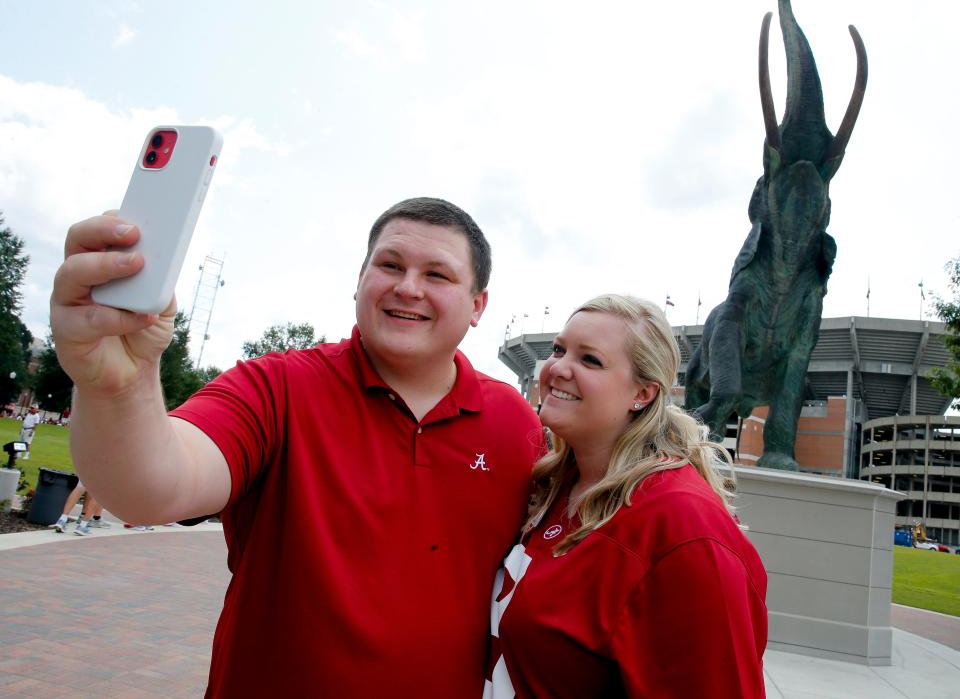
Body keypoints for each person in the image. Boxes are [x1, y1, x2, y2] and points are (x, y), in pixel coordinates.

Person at [51, 197, 543, 697]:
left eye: (438, 275)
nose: (408, 287)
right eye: (390, 265)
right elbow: (152, 489)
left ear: (478, 304)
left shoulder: (515, 425)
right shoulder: (276, 387)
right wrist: (117, 388)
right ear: (360, 278)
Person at [485, 295, 768, 698]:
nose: (558, 368)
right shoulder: (558, 483)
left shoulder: (685, 528)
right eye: (559, 350)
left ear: (644, 393)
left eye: (590, 360)